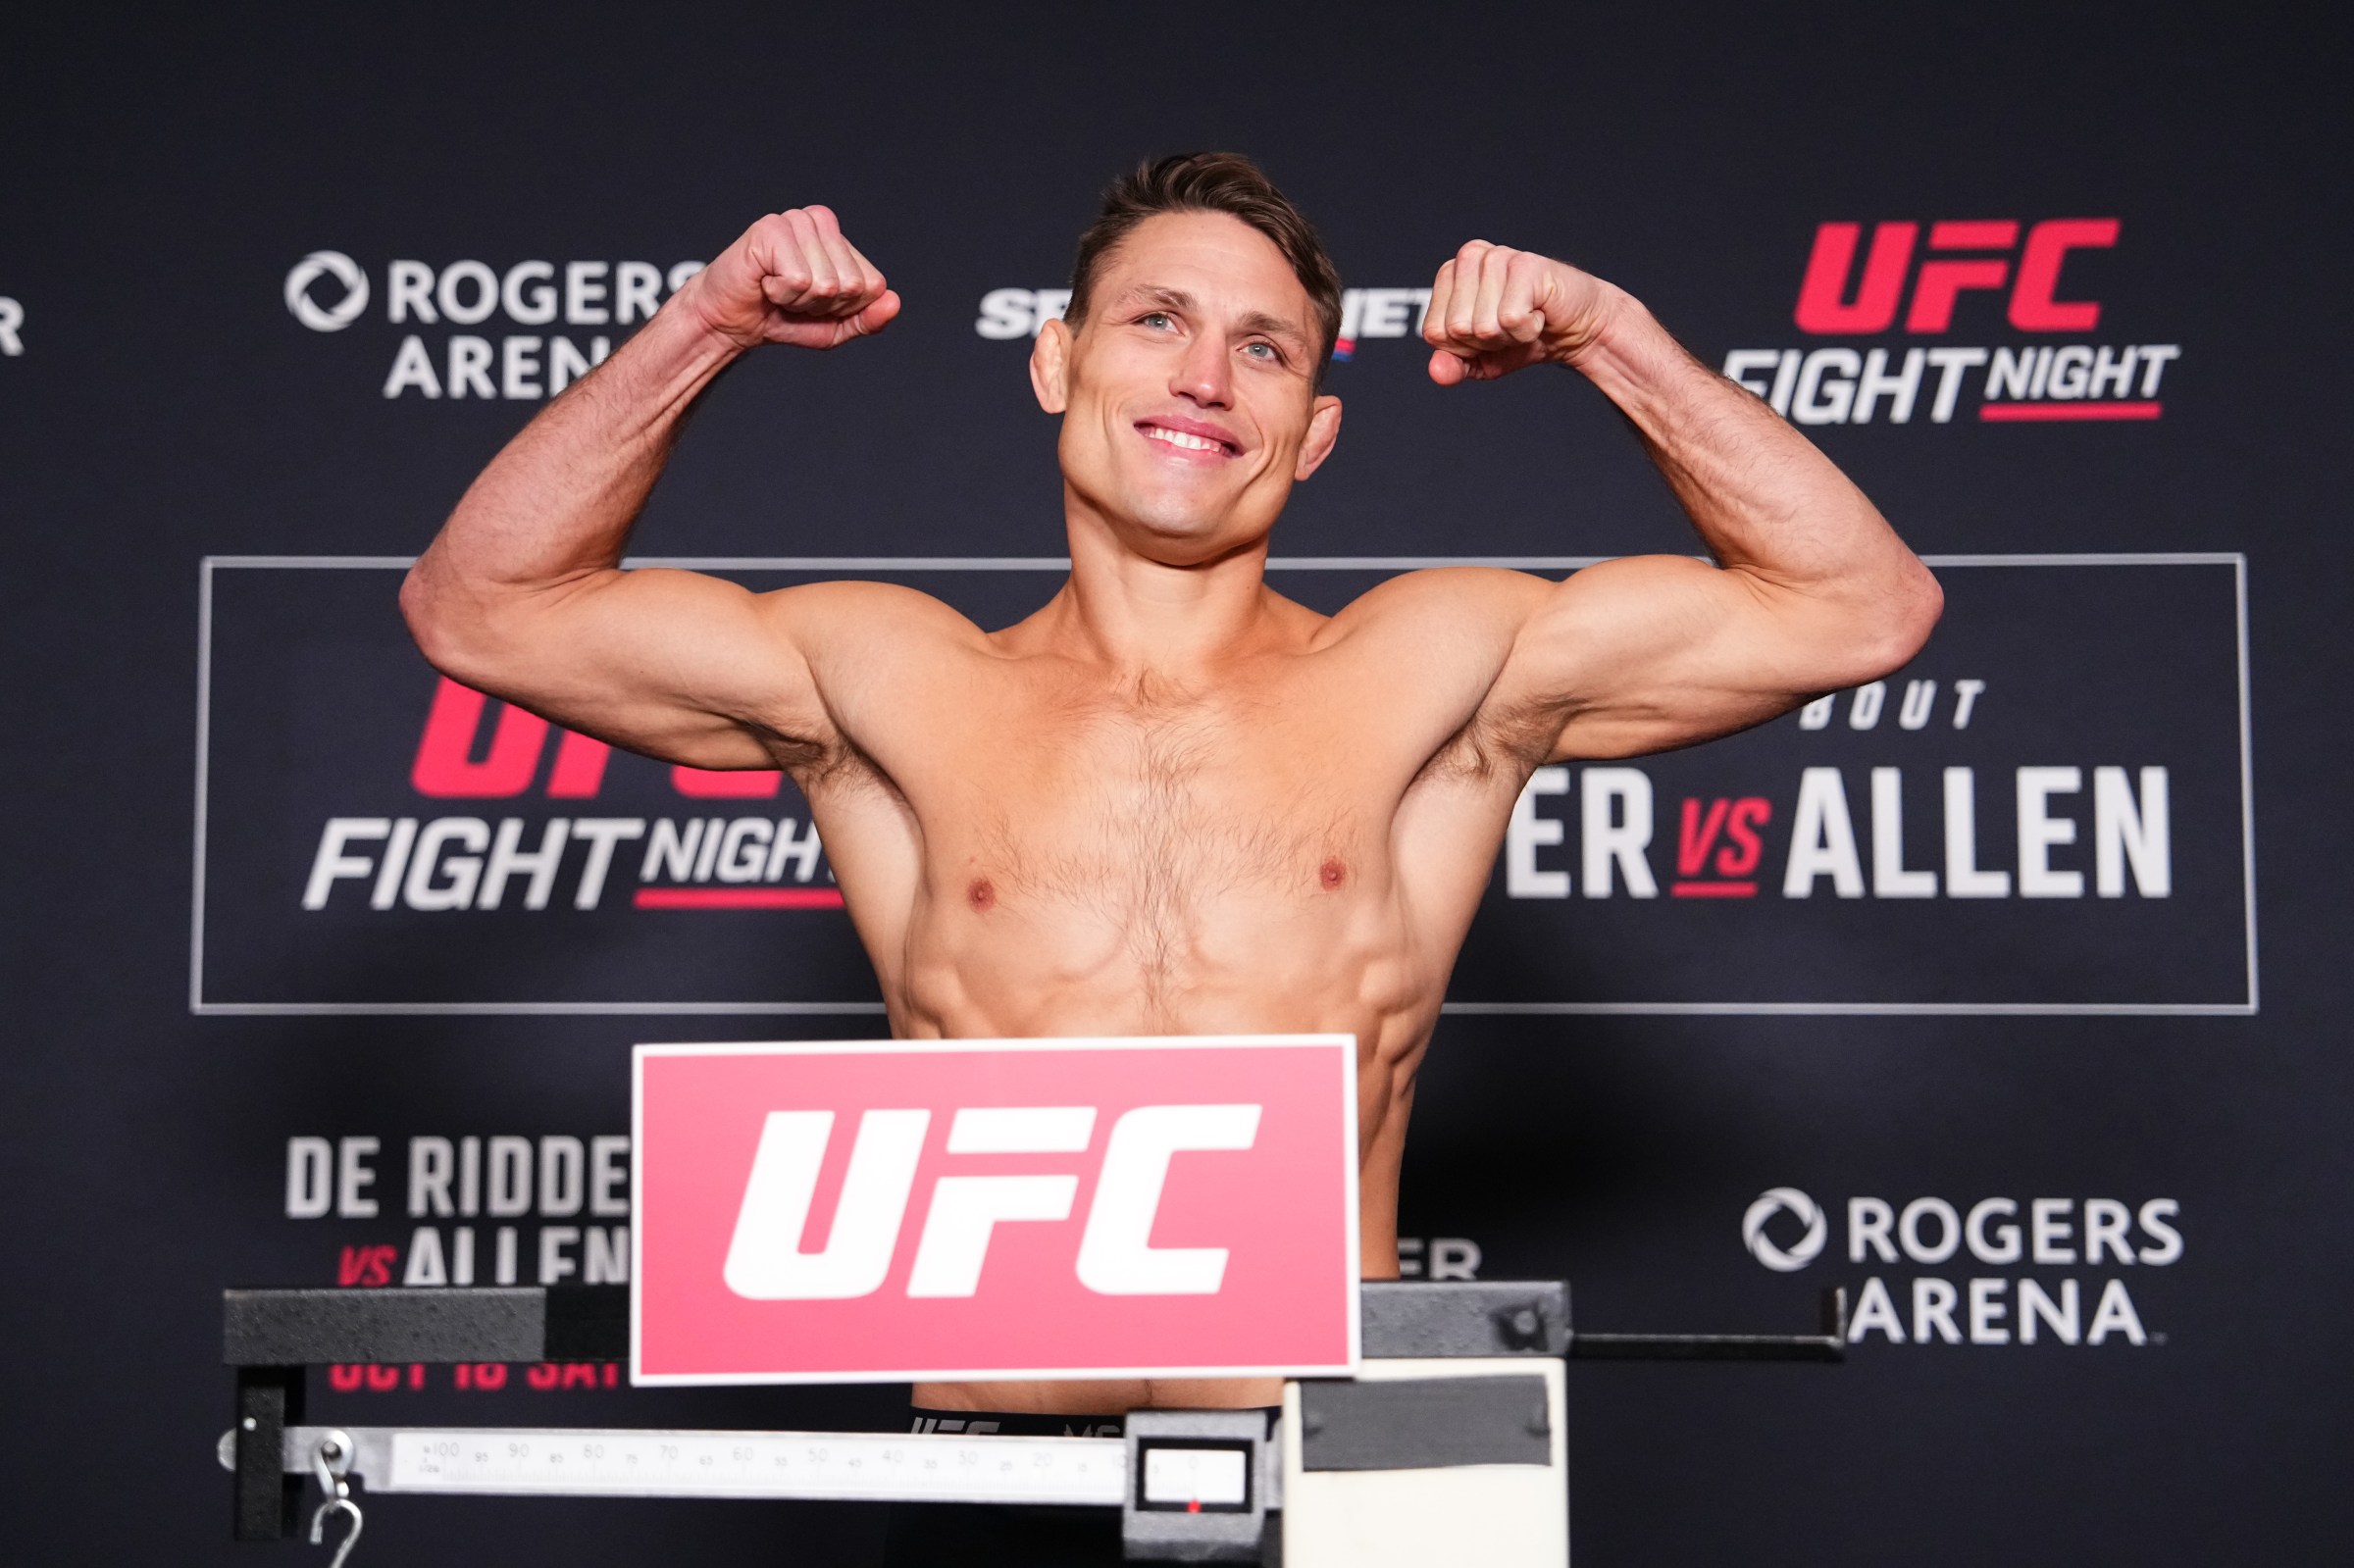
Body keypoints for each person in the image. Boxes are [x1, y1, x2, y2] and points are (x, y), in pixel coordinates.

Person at [402, 151, 1939, 1560]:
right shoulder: (886, 677)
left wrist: (1608, 335)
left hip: (1350, 1448)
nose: (1205, 376)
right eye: (1157, 321)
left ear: (1314, 433)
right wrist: (708, 323)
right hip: (997, 1466)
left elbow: (1862, 607)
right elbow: (478, 607)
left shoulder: (1435, 665)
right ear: (1056, 362)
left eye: (1265, 349)